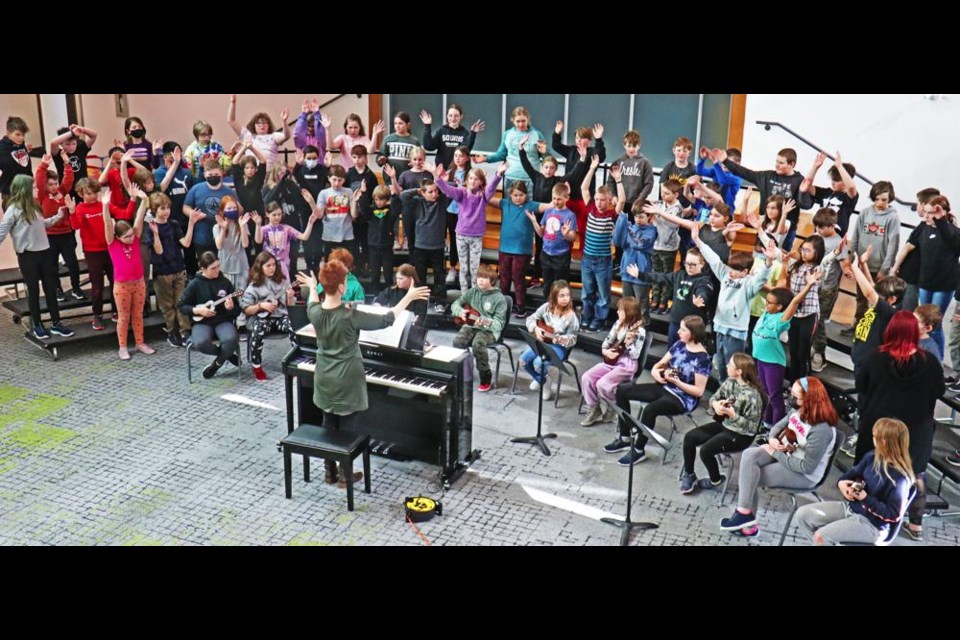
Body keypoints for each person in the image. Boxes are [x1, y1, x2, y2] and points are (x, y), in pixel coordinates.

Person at [296, 260, 430, 485]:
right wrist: (409, 297)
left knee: (328, 419)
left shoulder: (315, 312)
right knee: (348, 426)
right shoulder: (350, 316)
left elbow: (312, 298)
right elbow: (387, 319)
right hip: (347, 378)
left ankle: (330, 471)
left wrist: (312, 285)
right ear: (340, 288)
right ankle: (346, 475)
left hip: (324, 376)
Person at [853, 310, 943, 541]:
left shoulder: (874, 358)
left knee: (869, 472)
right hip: (915, 434)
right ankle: (915, 525)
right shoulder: (930, 362)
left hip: (879, 429)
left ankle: (863, 519)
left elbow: (861, 386)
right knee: (915, 477)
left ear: (889, 330)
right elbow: (939, 391)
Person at [719, 376, 838, 538]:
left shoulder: (820, 430)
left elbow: (806, 467)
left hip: (804, 474)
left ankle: (747, 523)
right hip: (786, 453)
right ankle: (744, 514)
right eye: (791, 393)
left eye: (796, 397)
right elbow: (777, 426)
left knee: (752, 475)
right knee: (749, 456)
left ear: (809, 400)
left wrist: (773, 452)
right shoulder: (799, 410)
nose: (790, 399)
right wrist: (773, 439)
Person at [610, 315, 711, 466]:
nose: (678, 332)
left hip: (683, 398)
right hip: (666, 386)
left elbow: (698, 391)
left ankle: (638, 450)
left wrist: (677, 381)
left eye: (683, 330)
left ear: (693, 333)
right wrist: (655, 372)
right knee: (622, 391)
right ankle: (625, 437)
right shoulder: (679, 345)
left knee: (650, 410)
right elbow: (660, 364)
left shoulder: (702, 359)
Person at [797, 418, 914, 545]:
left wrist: (865, 498)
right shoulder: (872, 456)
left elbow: (893, 515)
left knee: (821, 537)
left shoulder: (900, 478)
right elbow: (850, 475)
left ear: (884, 442)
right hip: (851, 508)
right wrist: (842, 485)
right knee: (802, 515)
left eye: (875, 437)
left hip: (872, 525)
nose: (872, 439)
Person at [0, 174, 74, 339]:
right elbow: (2, 231)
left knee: (50, 289)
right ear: (24, 189)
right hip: (28, 257)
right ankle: (38, 325)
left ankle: (56, 323)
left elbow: (42, 224)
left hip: (45, 253)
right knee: (33, 291)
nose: (37, 189)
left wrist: (58, 217)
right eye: (33, 187)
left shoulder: (35, 205)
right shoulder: (12, 210)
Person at [680, 353, 765, 494]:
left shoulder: (752, 396)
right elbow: (714, 397)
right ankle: (689, 474)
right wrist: (715, 404)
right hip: (724, 423)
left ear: (739, 371)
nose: (726, 366)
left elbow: (753, 428)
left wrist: (734, 416)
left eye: (730, 365)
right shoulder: (730, 381)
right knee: (690, 437)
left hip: (741, 434)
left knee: (706, 450)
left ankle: (715, 479)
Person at [579, 297, 645, 427]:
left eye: (621, 310)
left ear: (630, 312)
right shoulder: (618, 324)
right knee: (587, 377)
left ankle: (612, 407)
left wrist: (630, 344)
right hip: (612, 360)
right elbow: (607, 341)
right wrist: (605, 351)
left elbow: (635, 355)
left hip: (627, 364)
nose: (617, 312)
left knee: (602, 385)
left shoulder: (640, 331)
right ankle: (594, 408)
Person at [178, 252, 242, 379]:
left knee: (231, 339)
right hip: (202, 322)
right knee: (200, 343)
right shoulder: (195, 284)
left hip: (222, 320)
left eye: (218, 266)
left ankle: (216, 365)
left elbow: (237, 311)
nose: (217, 270)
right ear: (202, 269)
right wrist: (197, 310)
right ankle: (227, 355)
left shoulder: (225, 282)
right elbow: (181, 306)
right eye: (213, 268)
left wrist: (230, 308)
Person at [450, 264, 509, 392]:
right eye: (479, 277)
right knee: (457, 342)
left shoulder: (500, 299)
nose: (481, 280)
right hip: (471, 325)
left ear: (492, 281)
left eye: (485, 278)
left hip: (489, 330)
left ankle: (485, 377)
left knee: (478, 344)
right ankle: (465, 369)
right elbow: (455, 304)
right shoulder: (472, 292)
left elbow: (499, 324)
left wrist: (484, 322)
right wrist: (460, 311)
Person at [520, 280, 579, 400]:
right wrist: (535, 328)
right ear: (554, 296)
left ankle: (546, 384)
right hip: (543, 342)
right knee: (523, 361)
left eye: (567, 295)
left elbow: (573, 339)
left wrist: (563, 340)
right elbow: (531, 319)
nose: (565, 298)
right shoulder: (546, 308)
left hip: (559, 347)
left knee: (538, 363)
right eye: (562, 295)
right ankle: (543, 379)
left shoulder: (572, 317)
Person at [242, 252, 297, 381]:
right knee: (259, 328)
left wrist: (289, 296)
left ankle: (296, 361)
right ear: (260, 267)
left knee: (293, 325)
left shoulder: (282, 282)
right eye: (268, 265)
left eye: (274, 265)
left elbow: (290, 306)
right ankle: (256, 366)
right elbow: (246, 309)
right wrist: (261, 306)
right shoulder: (253, 286)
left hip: (279, 317)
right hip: (261, 319)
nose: (272, 268)